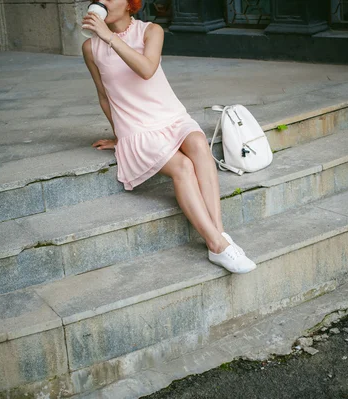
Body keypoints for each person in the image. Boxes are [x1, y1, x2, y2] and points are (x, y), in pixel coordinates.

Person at [81, 0, 256, 274]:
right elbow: (104, 96)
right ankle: (218, 245)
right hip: (137, 128)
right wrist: (120, 136)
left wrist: (110, 37)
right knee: (183, 167)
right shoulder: (91, 47)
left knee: (198, 144)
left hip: (171, 116)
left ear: (130, 4)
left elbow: (147, 69)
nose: (102, 2)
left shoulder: (151, 31)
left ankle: (219, 234)